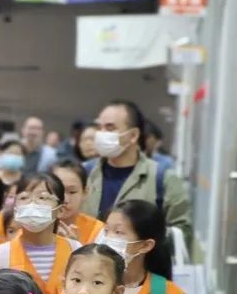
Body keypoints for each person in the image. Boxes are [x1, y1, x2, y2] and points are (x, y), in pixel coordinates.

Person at [82, 100, 191, 247]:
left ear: (133, 135)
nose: (101, 134)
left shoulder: (162, 178)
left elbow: (182, 232)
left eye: (110, 128)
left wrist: (140, 239)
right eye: (99, 128)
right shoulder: (85, 173)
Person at [0, 173, 80, 294]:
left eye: (42, 197)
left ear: (60, 210)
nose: (32, 204)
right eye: (24, 198)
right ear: (16, 208)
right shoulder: (0, 258)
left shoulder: (76, 252)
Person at [53, 159, 103, 243]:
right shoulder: (34, 226)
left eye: (72, 192)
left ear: (85, 193)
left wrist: (75, 246)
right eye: (58, 190)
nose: (65, 199)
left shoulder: (98, 231)